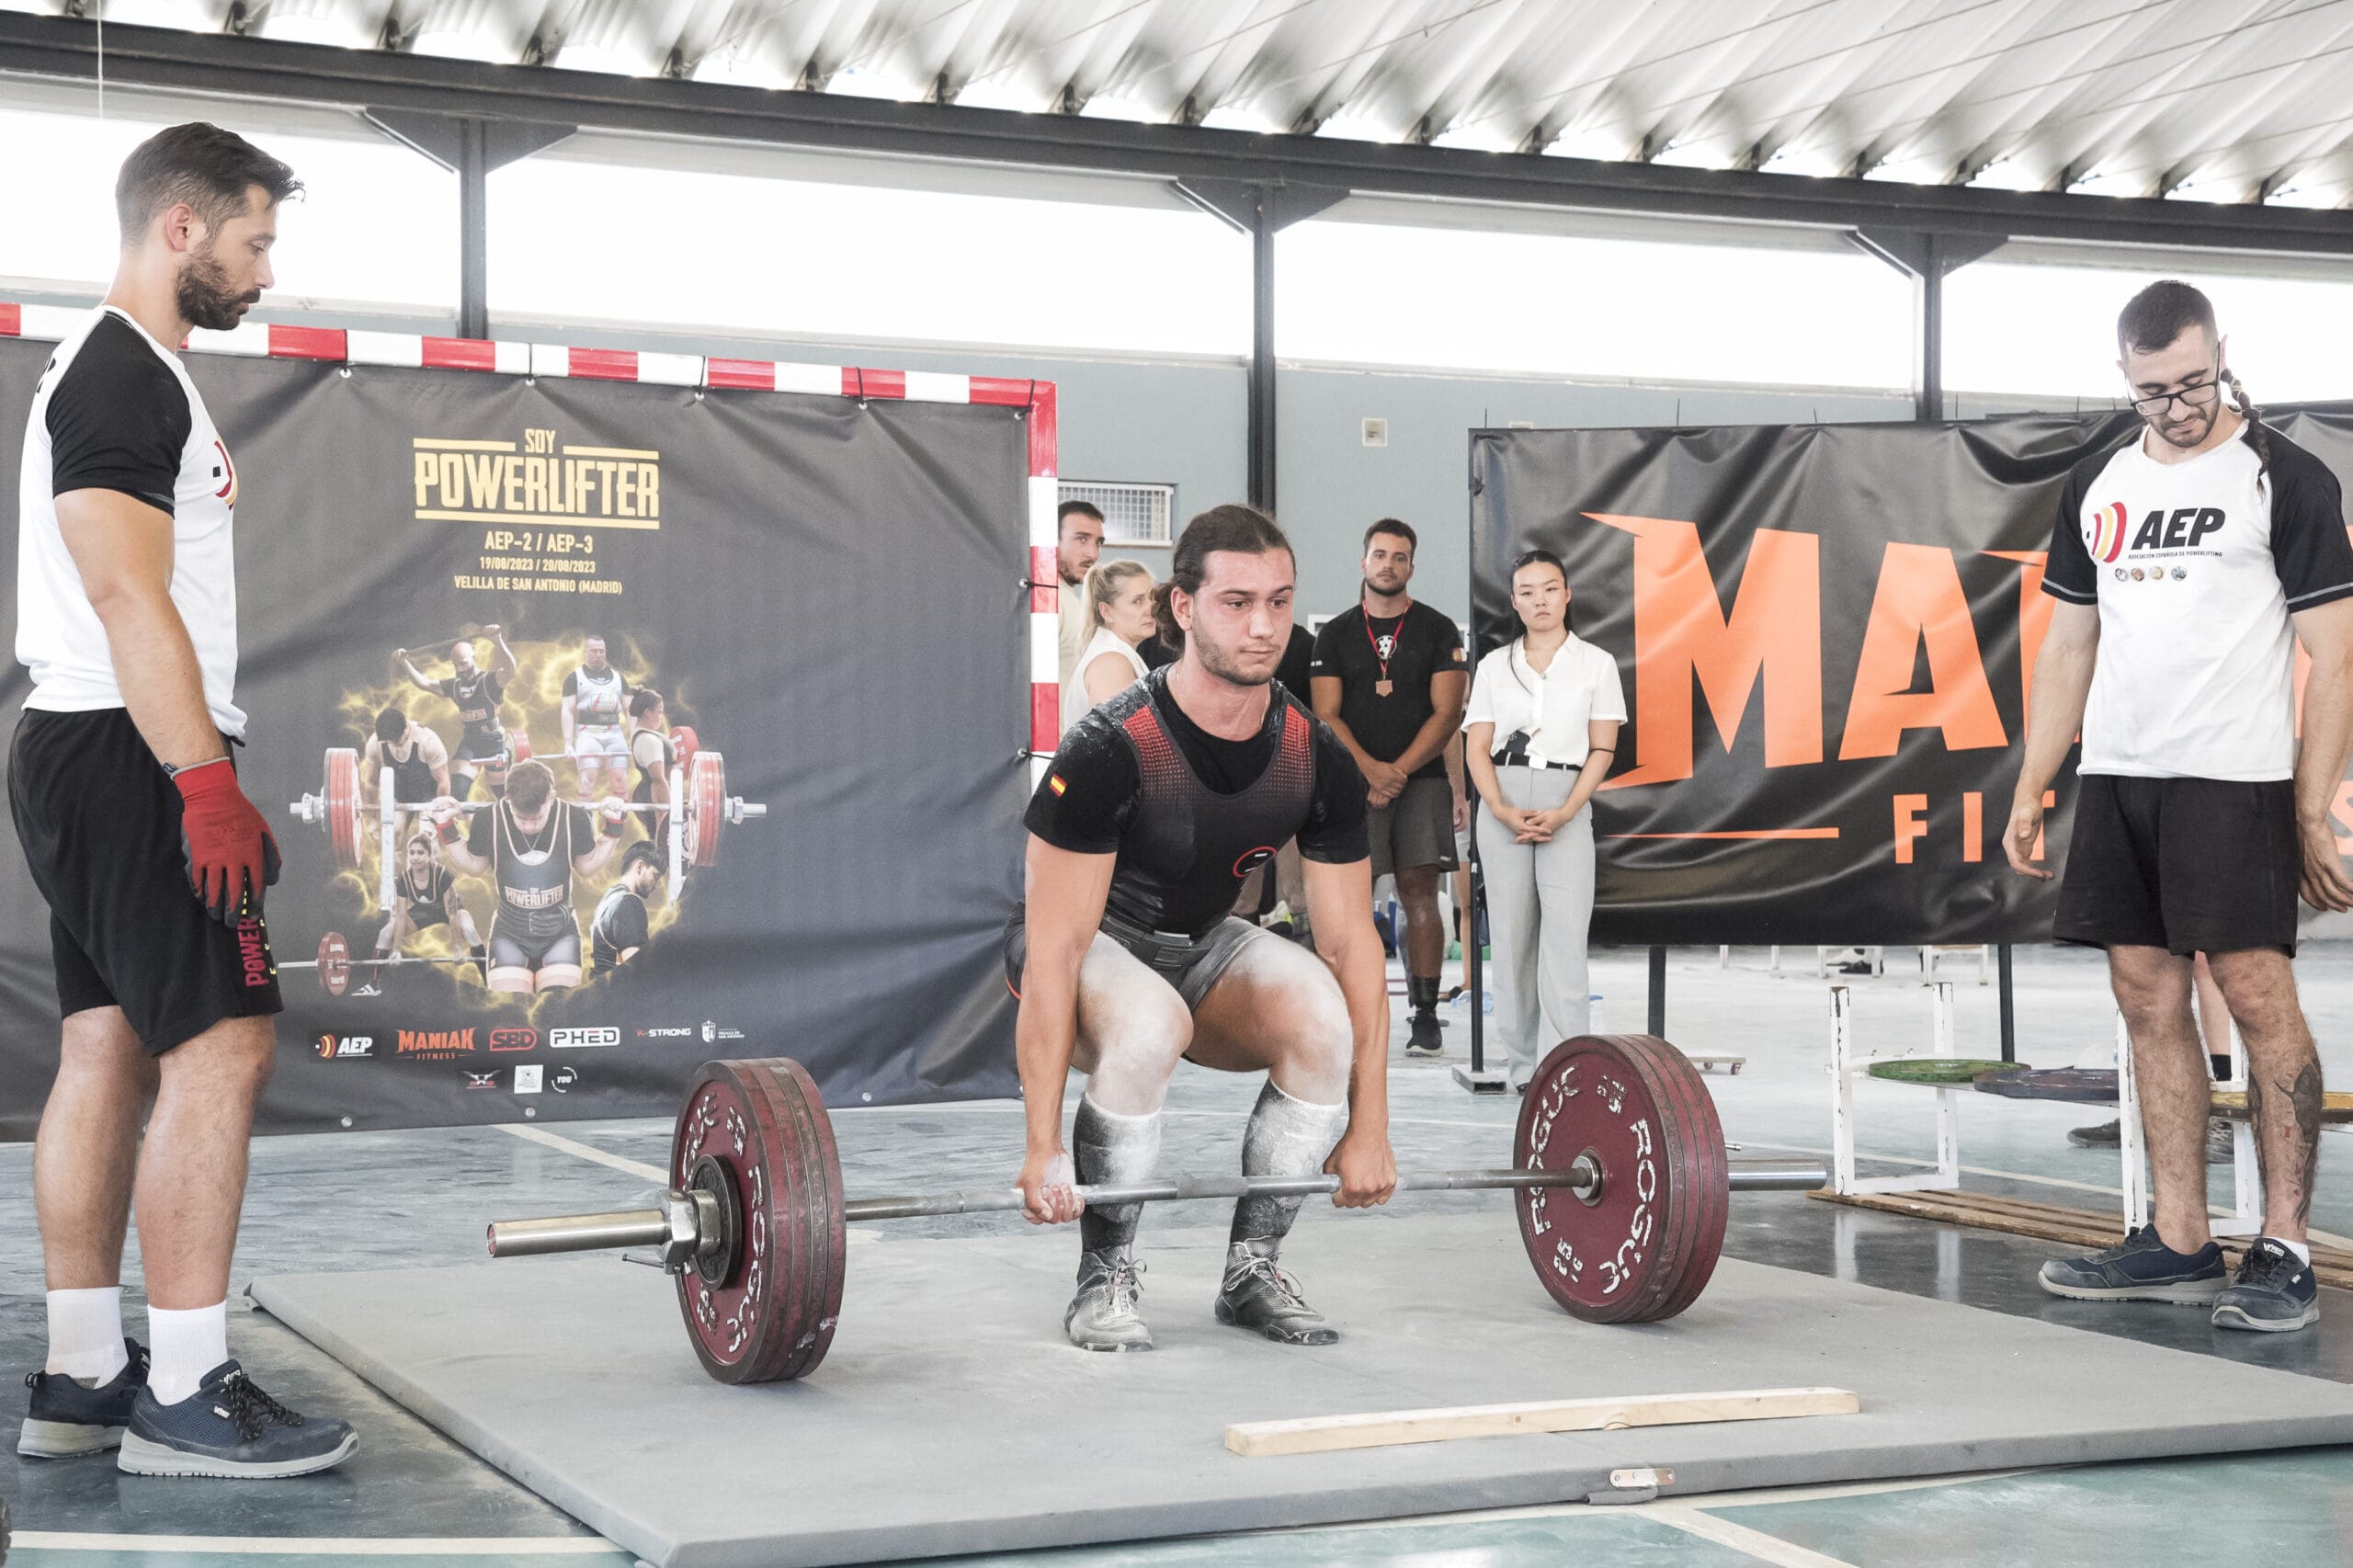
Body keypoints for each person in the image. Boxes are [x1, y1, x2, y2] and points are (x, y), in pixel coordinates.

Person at [10, 122, 355, 1476]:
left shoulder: (127, 373)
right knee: (220, 1045)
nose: (266, 270)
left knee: (107, 1047)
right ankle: (189, 1391)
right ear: (181, 226)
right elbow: (122, 590)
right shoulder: (118, 376)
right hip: (130, 748)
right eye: (255, 241)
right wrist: (204, 782)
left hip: (92, 742)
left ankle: (87, 1373)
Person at [2010, 279, 2353, 1334]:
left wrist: (2310, 808)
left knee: (2254, 992)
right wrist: (2033, 778)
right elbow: (2069, 640)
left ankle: (2284, 1244)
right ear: (2123, 376)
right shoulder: (2097, 478)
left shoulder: (2282, 476)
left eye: (2196, 381)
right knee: (2143, 994)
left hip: (2234, 776)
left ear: (2221, 354)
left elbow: (2336, 654)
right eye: (2155, 390)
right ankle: (2178, 1236)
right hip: (2121, 774)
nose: (2180, 405)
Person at [1008, 505, 1396, 1353]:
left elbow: (1352, 945)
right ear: (1183, 608)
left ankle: (1253, 1269)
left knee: (1322, 1018)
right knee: (1151, 1025)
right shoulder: (1111, 746)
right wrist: (1042, 1146)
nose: (1263, 627)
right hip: (1088, 949)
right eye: (1237, 602)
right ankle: (1104, 1275)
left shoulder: (1313, 753)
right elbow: (1055, 951)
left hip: (1200, 947)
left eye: (1280, 602)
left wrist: (1370, 1123)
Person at [1460, 551, 1624, 1092]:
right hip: (1502, 799)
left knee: (1565, 939)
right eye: (1527, 592)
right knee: (1510, 942)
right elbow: (1477, 747)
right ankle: (1524, 1071)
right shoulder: (1493, 665)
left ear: (1567, 594)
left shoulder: (1596, 663)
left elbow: (1603, 747)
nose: (1540, 601)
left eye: (1550, 589)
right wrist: (1499, 809)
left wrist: (1568, 810)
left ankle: (1568, 1067)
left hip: (1566, 800)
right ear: (1513, 602)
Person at [1310, 520, 1469, 1058]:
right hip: (1353, 786)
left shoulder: (1438, 629)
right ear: (1363, 562)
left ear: (1412, 568)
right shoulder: (1335, 634)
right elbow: (1325, 714)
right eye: (1380, 555)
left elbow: (1448, 714)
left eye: (1400, 557)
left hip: (1421, 782)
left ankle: (1425, 1015)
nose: (1389, 565)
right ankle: (1353, 1013)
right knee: (1351, 903)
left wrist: (1396, 770)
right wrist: (1371, 772)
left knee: (1420, 894)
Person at [433, 758, 628, 994]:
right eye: (521, 818)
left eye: (536, 818)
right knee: (511, 1008)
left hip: (560, 934)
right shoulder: (488, 818)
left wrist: (613, 825)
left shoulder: (574, 817)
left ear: (551, 797)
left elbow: (587, 867)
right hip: (509, 934)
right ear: (508, 800)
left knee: (557, 1006)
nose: (528, 826)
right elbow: (474, 866)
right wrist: (446, 827)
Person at [399, 627, 516, 800]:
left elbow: (510, 670)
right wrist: (404, 662)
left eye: (463, 663)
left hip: (493, 741)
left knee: (503, 795)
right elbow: (425, 684)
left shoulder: (489, 681)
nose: (460, 669)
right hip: (470, 741)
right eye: (455, 665)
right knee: (458, 792)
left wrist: (497, 640)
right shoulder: (455, 686)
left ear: (474, 659)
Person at [373, 832, 483, 982]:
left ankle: (487, 980)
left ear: (429, 855)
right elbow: (401, 916)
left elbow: (452, 914)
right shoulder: (404, 879)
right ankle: (373, 984)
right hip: (423, 913)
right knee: (386, 932)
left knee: (469, 929)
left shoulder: (442, 875)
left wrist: (458, 949)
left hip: (449, 911)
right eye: (412, 853)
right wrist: (396, 950)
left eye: (420, 853)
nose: (415, 857)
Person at [1061, 559, 1154, 732]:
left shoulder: (1115, 654)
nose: (1151, 608)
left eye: (1152, 597)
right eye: (1137, 601)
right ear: (1106, 611)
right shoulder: (1111, 665)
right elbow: (1117, 743)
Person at [561, 634, 632, 806]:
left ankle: (617, 822)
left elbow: (630, 710)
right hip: (587, 733)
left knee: (620, 782)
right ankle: (584, 822)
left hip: (614, 732)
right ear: (586, 652)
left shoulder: (618, 678)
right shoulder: (574, 678)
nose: (598, 654)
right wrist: (568, 744)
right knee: (587, 782)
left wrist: (635, 738)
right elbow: (568, 711)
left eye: (602, 651)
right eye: (594, 651)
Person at [358, 706, 449, 839]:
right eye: (389, 741)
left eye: (396, 741)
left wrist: (440, 813)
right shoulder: (376, 742)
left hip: (428, 796)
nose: (393, 745)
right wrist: (373, 818)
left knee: (426, 838)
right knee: (393, 835)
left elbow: (443, 781)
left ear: (406, 727)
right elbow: (372, 783)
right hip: (400, 795)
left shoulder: (428, 741)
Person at [1054, 501, 1107, 689]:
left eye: (1098, 543)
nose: (1093, 554)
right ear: (1053, 541)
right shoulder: (1049, 601)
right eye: (1082, 539)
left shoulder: (1067, 598)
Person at [593, 841, 665, 968]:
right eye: (655, 876)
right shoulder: (629, 904)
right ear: (640, 867)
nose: (656, 885)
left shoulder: (609, 898)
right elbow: (636, 968)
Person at [626, 687, 674, 860]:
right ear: (647, 712)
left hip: (653, 794)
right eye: (659, 712)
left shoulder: (643, 734)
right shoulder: (648, 740)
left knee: (661, 853)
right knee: (661, 851)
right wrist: (666, 816)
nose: (661, 717)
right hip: (655, 798)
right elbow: (658, 780)